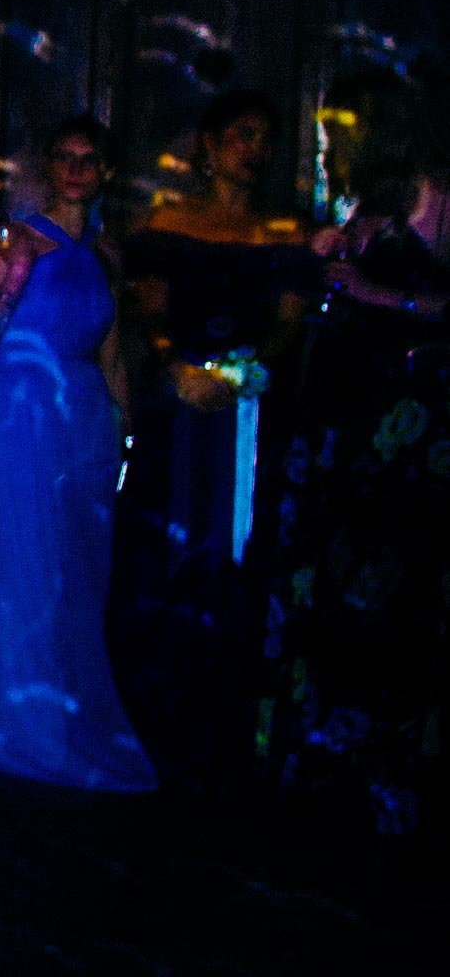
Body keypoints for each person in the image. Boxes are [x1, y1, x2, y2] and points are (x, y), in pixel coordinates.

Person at [0, 119, 156, 792]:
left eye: (90, 159)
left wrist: (125, 428)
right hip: (19, 411)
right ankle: (19, 723)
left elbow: (114, 353)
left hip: (82, 417)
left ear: (107, 171)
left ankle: (67, 715)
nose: (77, 169)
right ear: (48, 165)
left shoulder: (108, 253)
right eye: (64, 156)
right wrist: (16, 273)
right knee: (21, 559)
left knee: (77, 570)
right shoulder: (14, 237)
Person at [112, 89, 319, 792]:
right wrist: (179, 368)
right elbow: (149, 312)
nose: (253, 148)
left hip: (252, 411)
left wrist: (246, 370)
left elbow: (291, 323)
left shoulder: (284, 230)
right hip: (180, 407)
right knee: (166, 552)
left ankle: (229, 735)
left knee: (243, 553)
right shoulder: (169, 223)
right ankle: (156, 722)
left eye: (264, 136)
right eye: (241, 134)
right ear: (207, 145)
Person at [267, 90, 450, 834]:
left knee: (393, 593)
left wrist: (374, 289)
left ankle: (389, 775)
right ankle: (324, 764)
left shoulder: (438, 192)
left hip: (403, 425)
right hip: (343, 418)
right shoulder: (366, 203)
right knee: (333, 588)